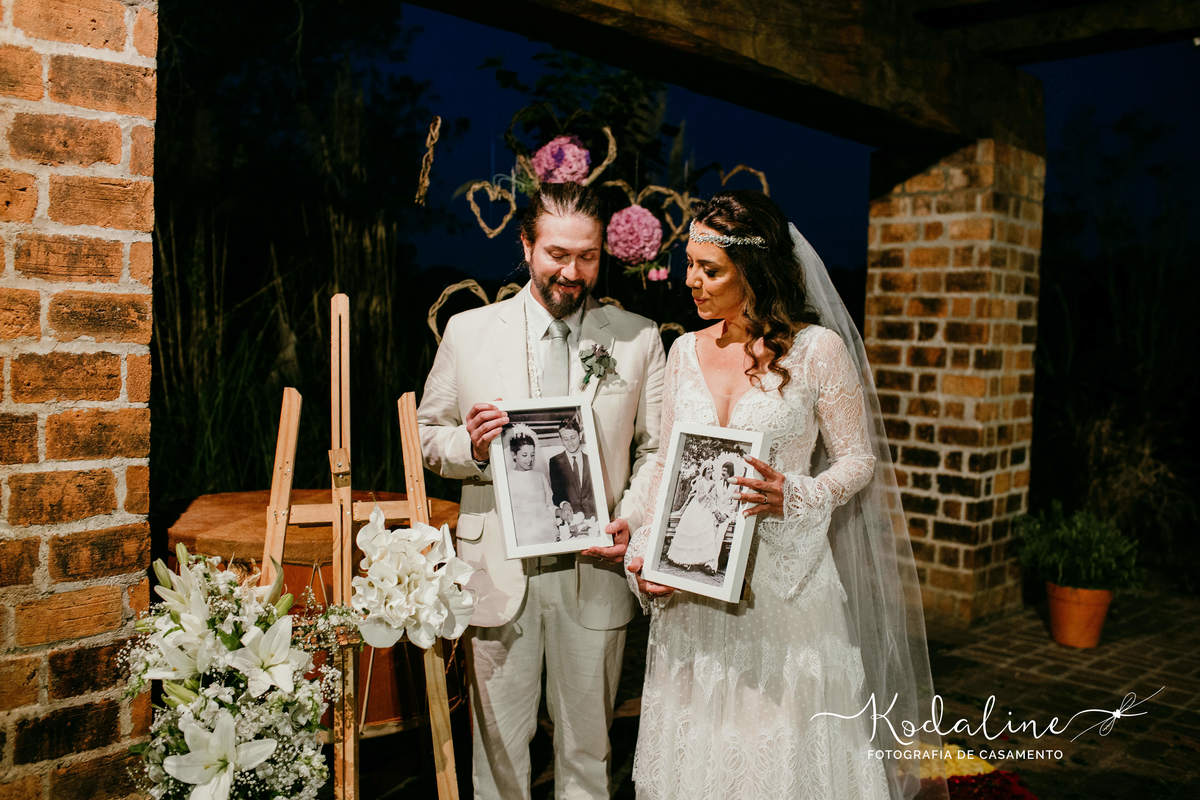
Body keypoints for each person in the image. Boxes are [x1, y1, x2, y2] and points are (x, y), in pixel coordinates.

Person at [625, 190, 947, 800]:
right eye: (689, 263)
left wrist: (794, 494)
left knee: (777, 752)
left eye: (708, 269)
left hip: (782, 591)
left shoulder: (817, 350)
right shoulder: (684, 352)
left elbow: (857, 460)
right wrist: (646, 550)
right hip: (694, 594)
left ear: (755, 270)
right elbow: (670, 465)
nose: (690, 281)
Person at [418, 181, 665, 800]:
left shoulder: (638, 338)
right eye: (557, 253)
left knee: (589, 750)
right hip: (499, 568)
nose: (572, 271)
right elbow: (426, 435)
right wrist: (471, 448)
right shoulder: (468, 331)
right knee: (498, 752)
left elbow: (656, 448)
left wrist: (629, 519)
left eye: (587, 256)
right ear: (525, 244)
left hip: (595, 567)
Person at [504, 424, 559, 546]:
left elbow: (549, 505)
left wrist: (559, 511)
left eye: (532, 455)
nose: (530, 459)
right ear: (514, 455)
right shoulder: (508, 479)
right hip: (521, 535)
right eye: (524, 455)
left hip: (545, 532)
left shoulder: (540, 476)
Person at [664, 462, 721, 571]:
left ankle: (698, 560)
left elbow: (713, 498)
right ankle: (684, 561)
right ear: (704, 471)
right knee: (691, 534)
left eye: (711, 469)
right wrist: (709, 490)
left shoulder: (713, 483)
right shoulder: (700, 481)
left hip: (706, 510)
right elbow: (699, 498)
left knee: (701, 536)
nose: (710, 470)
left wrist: (715, 510)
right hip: (696, 509)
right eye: (708, 469)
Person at [548, 416, 596, 519]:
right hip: (572, 519)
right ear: (561, 440)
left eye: (573, 437)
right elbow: (556, 493)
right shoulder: (554, 462)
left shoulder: (592, 459)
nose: (570, 443)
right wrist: (564, 503)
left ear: (580, 435)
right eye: (565, 439)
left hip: (594, 517)